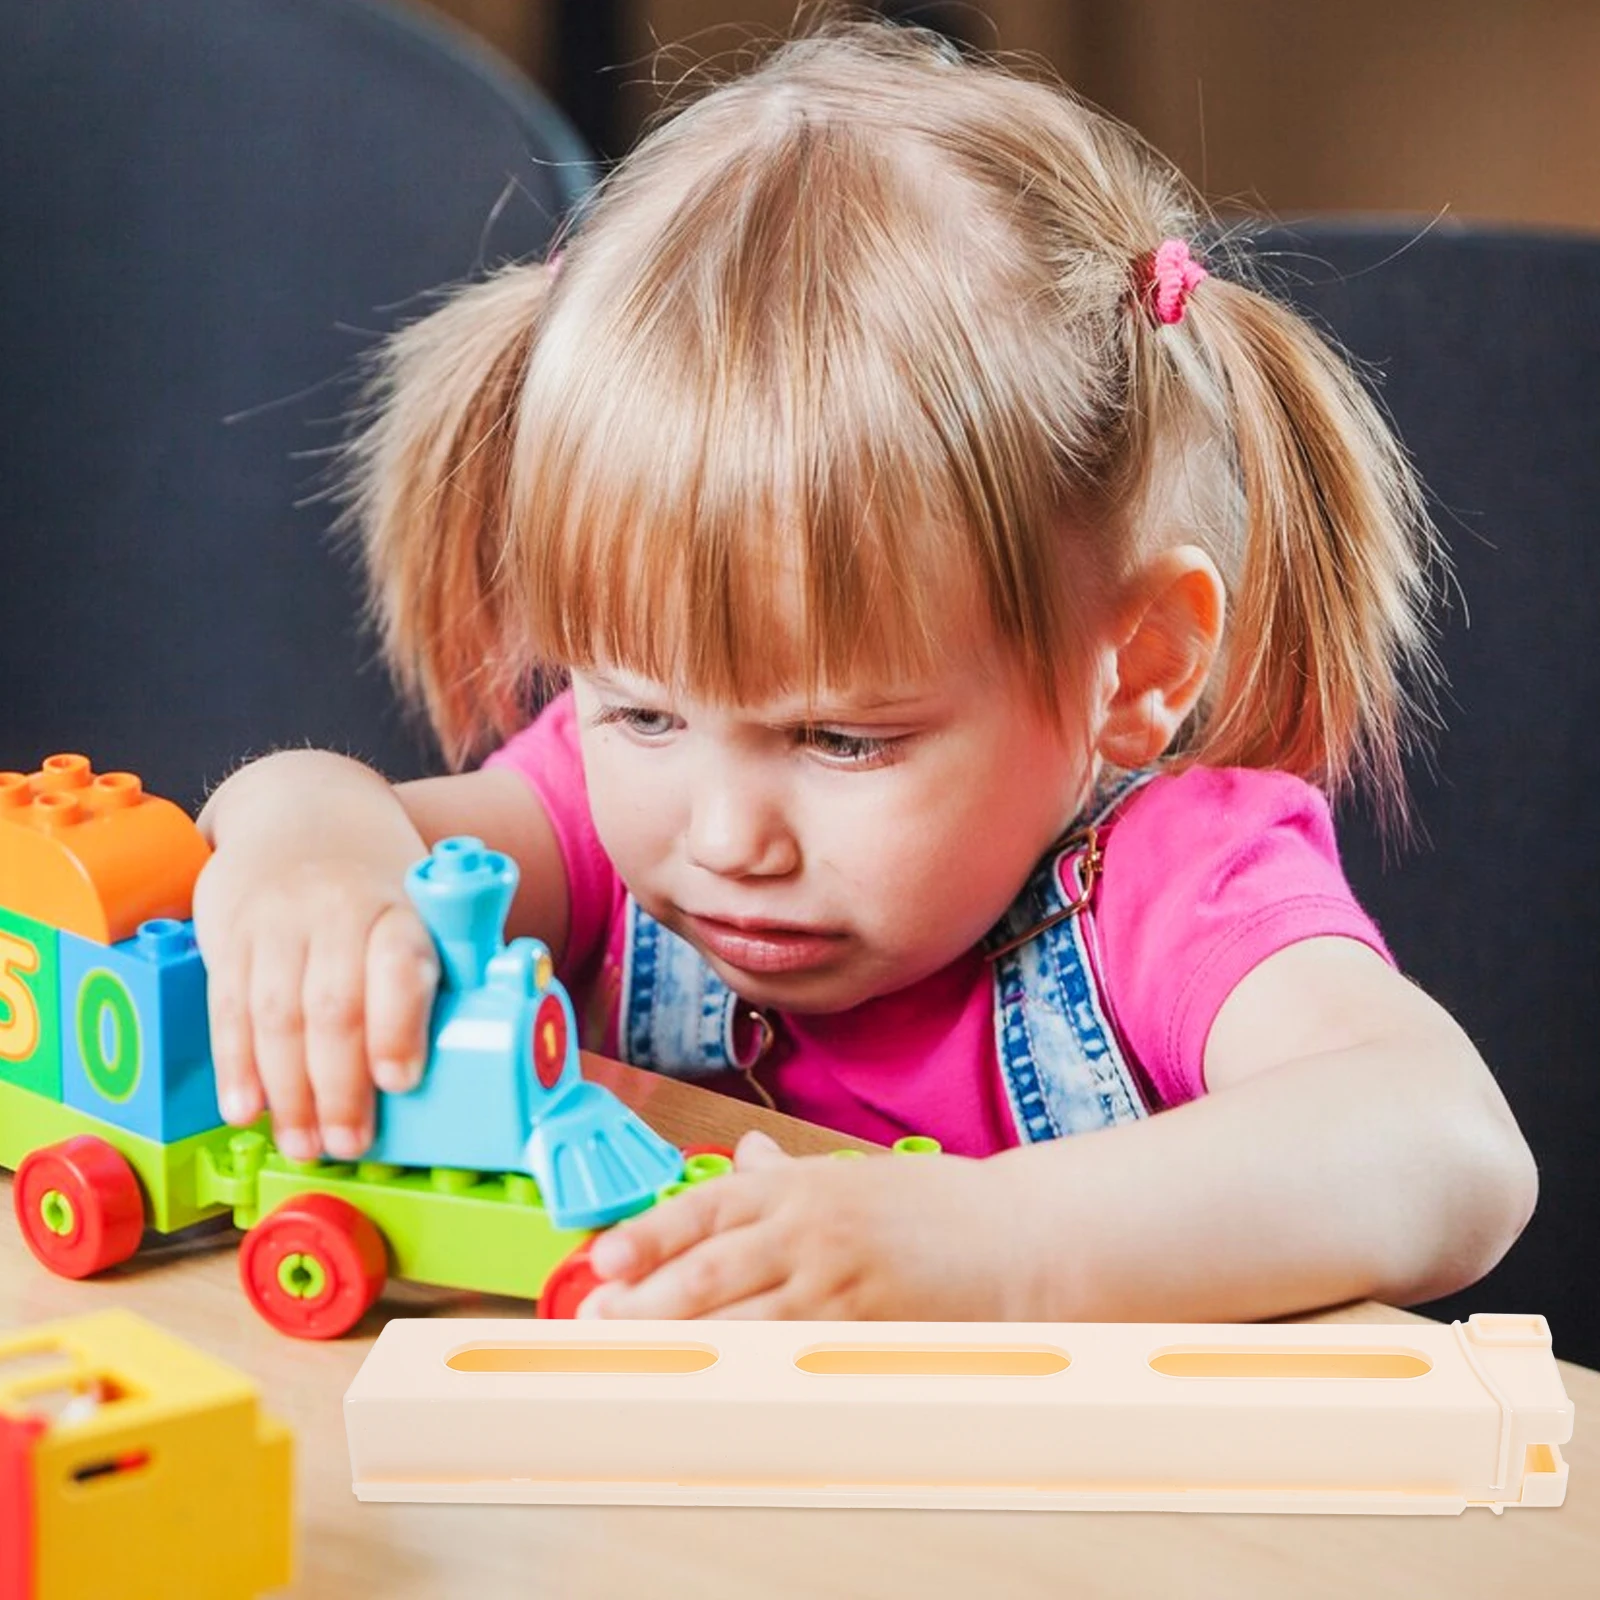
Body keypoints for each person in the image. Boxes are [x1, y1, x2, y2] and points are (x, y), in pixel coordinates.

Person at [192, 21, 1536, 1322]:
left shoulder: (1172, 884)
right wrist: (311, 860)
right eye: (641, 710)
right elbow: (332, 812)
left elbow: (1448, 1146)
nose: (727, 840)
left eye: (842, 740)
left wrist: (1001, 1249)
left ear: (1136, 663)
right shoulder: (602, 830)